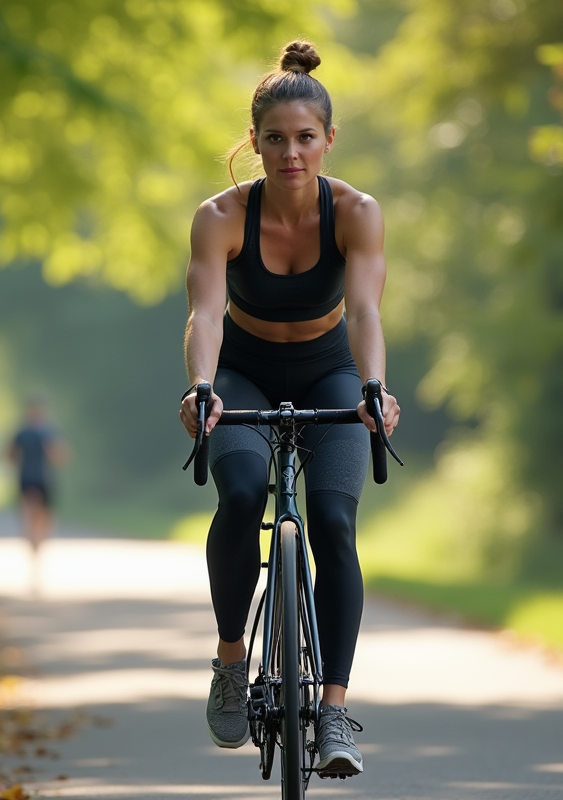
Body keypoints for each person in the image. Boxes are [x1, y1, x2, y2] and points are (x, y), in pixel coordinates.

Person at [178, 40, 400, 778]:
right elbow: (205, 315)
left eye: (306, 138)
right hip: (241, 371)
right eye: (274, 139)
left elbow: (365, 312)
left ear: (329, 140)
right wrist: (203, 390)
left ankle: (333, 708)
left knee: (333, 522)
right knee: (242, 496)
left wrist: (374, 389)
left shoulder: (358, 212)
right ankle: (232, 660)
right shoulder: (219, 216)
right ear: (254, 143)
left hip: (329, 371)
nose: (291, 154)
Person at [7, 397, 68, 563]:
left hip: (34, 479)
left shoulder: (25, 432)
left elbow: (10, 456)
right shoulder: (44, 432)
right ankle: (35, 549)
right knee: (37, 519)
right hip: (36, 479)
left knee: (36, 518)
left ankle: (35, 547)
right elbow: (60, 458)